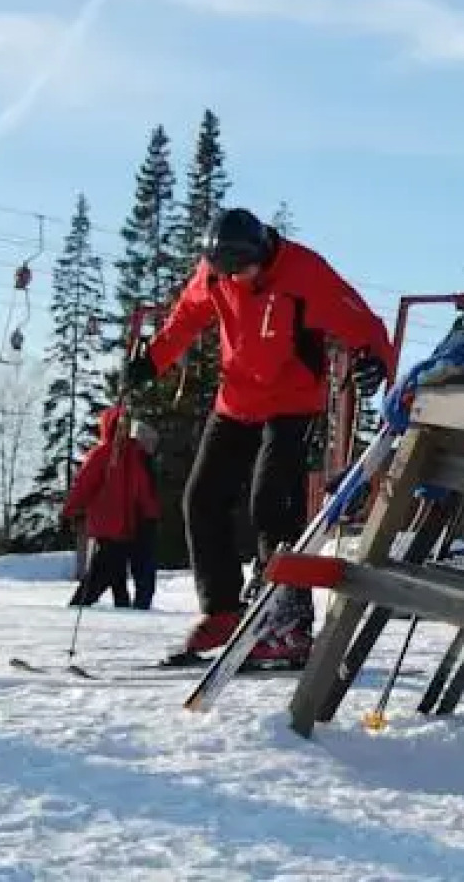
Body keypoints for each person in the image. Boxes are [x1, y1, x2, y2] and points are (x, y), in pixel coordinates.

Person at [126, 207, 394, 666]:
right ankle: (223, 613)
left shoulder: (302, 271)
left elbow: (361, 321)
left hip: (293, 401)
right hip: (237, 401)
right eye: (227, 272)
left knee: (271, 502)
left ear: (262, 254)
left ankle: (289, 622)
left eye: (242, 270)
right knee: (202, 498)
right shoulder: (215, 275)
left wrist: (375, 359)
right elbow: (185, 318)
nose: (236, 280)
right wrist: (151, 362)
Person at [63, 407, 160, 609]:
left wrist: (150, 514)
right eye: (118, 427)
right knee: (103, 572)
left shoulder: (135, 454)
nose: (122, 432)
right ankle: (79, 605)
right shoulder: (101, 455)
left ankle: (133, 609)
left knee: (134, 573)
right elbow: (83, 485)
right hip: (108, 527)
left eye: (126, 427)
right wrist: (70, 511)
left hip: (133, 525)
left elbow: (144, 488)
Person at [126, 420, 161, 610]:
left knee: (142, 564)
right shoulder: (137, 458)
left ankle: (141, 601)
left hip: (144, 516)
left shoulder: (141, 458)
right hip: (141, 517)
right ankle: (141, 602)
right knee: (143, 564)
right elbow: (140, 490)